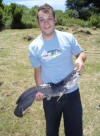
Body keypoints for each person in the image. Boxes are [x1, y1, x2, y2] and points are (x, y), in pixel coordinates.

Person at [29, 4, 86, 136]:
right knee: (51, 131)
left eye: (49, 18)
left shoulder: (68, 37)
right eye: (42, 19)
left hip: (72, 94)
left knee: (75, 132)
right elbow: (38, 71)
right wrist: (40, 90)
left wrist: (80, 59)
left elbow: (81, 53)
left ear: (55, 19)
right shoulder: (34, 47)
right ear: (38, 22)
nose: (46, 23)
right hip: (50, 97)